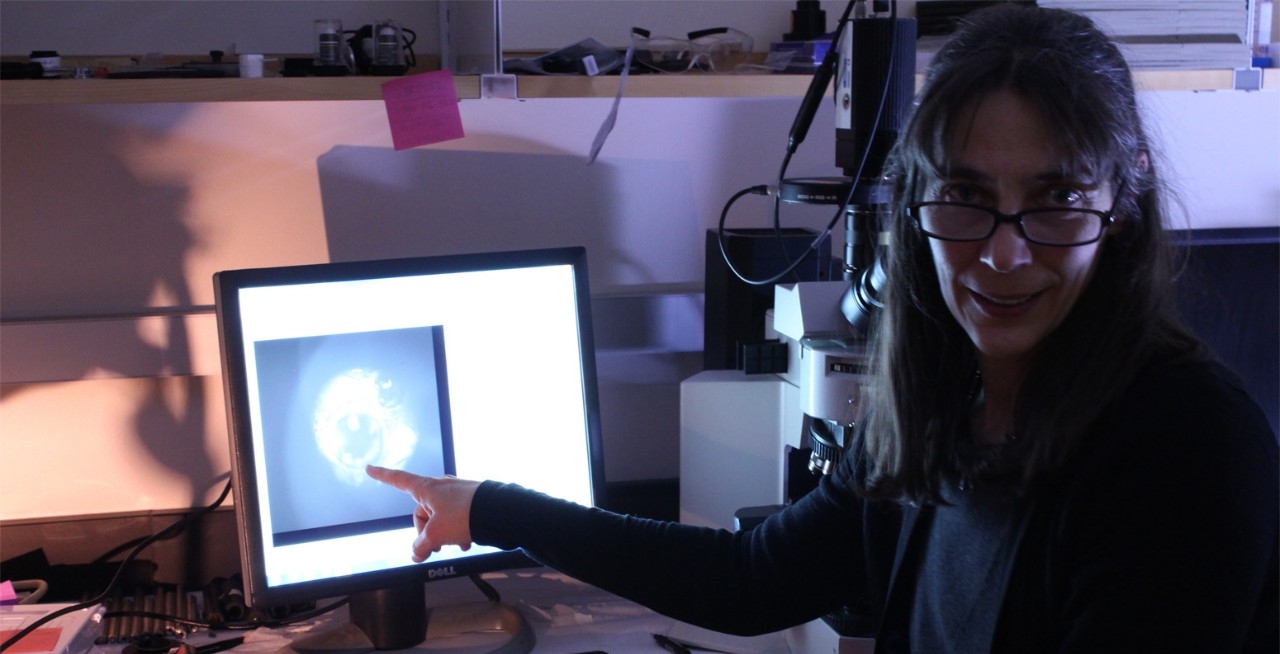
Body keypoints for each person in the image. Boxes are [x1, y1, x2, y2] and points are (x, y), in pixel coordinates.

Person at [367, 4, 1278, 652]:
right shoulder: (941, 399)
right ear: (917, 202)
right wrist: (485, 507)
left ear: (1123, 202)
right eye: (965, 197)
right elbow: (753, 579)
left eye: (1055, 201)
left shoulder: (1185, 443)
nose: (1003, 254)